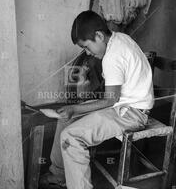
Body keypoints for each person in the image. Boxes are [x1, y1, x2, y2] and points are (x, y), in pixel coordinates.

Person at [39, 10, 154, 189]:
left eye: (87, 47)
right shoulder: (119, 38)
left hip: (132, 114)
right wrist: (74, 110)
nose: (88, 53)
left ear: (99, 36)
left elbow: (110, 100)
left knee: (72, 136)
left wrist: (76, 108)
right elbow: (112, 99)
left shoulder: (113, 56)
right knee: (65, 120)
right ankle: (59, 175)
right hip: (121, 106)